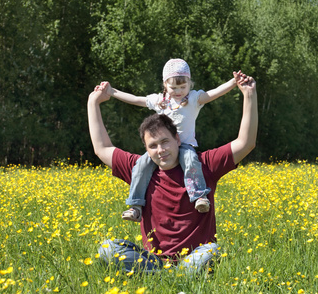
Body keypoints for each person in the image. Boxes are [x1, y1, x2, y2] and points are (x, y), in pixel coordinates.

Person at [87, 71, 257, 274]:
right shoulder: (139, 168)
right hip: (153, 260)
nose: (161, 150)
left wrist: (249, 95)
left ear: (177, 140)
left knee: (211, 251)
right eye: (153, 145)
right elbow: (101, 148)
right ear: (146, 149)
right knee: (107, 249)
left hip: (194, 257)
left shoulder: (204, 165)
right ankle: (168, 276)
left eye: (165, 141)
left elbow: (245, 143)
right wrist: (93, 103)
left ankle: (170, 276)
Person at [95, 59, 244, 222]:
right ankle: (135, 206)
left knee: (190, 160)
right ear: (165, 84)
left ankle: (199, 197)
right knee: (141, 166)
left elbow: (214, 93)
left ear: (190, 83)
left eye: (183, 86)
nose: (178, 91)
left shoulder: (194, 99)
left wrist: (233, 82)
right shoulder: (160, 101)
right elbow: (136, 99)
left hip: (185, 146)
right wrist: (111, 91)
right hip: (162, 147)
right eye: (174, 87)